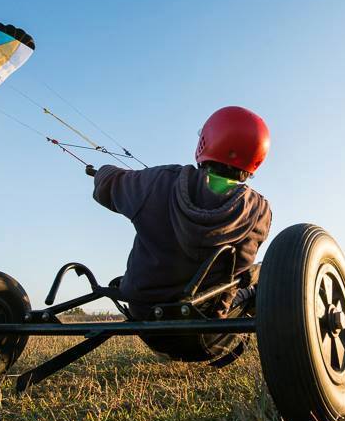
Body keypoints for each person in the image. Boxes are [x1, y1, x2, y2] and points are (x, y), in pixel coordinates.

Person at [92, 106, 272, 356]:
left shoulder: (158, 180)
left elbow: (106, 187)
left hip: (146, 324)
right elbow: (240, 269)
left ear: (206, 141)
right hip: (207, 337)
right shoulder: (259, 210)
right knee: (263, 275)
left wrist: (103, 171)